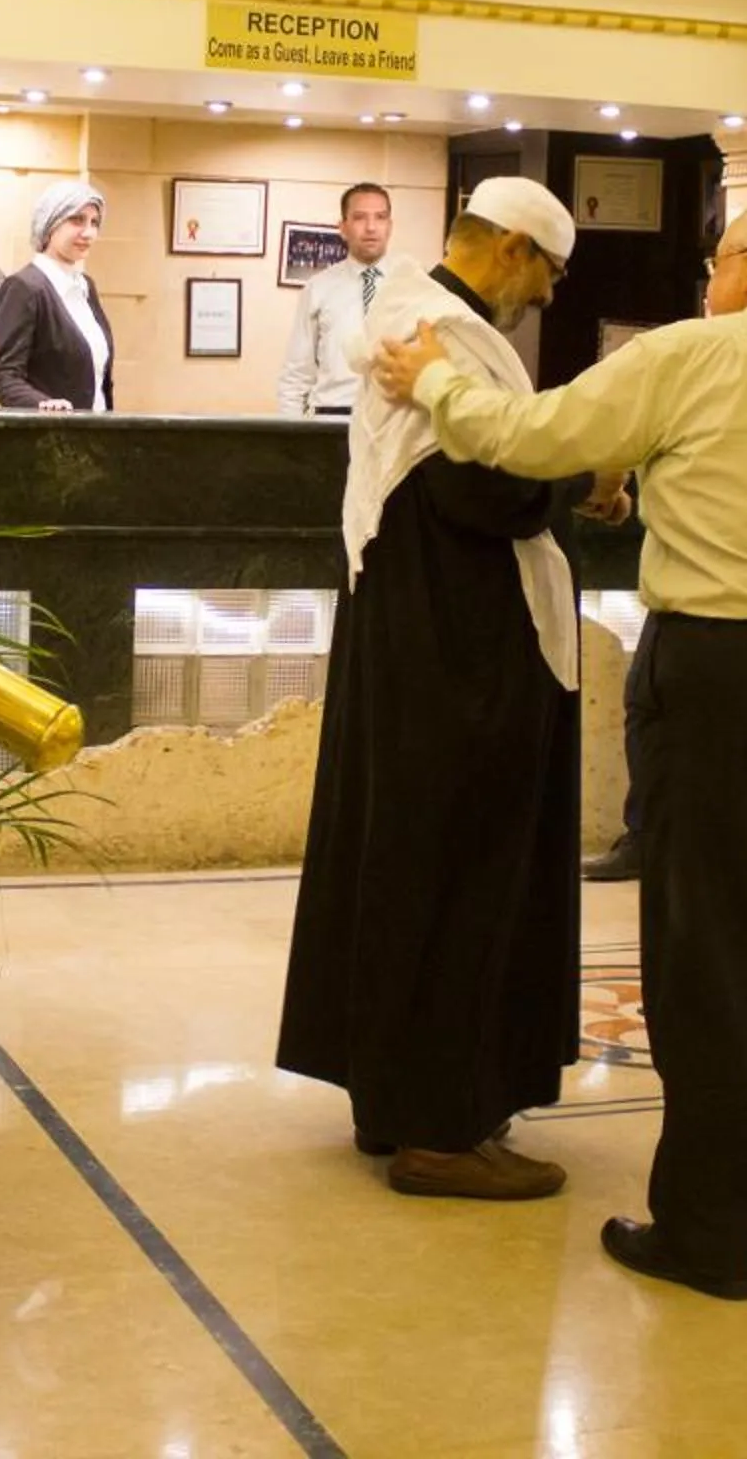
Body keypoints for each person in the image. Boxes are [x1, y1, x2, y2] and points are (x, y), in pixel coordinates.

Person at [371, 195, 747, 1299]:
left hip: (726, 678)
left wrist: (435, 382)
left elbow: (531, 437)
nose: (711, 278)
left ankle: (707, 1226)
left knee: (710, 954)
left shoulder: (696, 354)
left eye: (717, 260)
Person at [276, 176, 618, 1203]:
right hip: (465, 648)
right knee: (467, 865)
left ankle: (399, 1094)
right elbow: (491, 488)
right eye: (549, 273)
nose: (549, 297)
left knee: (406, 856)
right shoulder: (443, 334)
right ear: (510, 248)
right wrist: (582, 474)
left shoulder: (410, 318)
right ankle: (442, 1124)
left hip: (415, 634)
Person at [275, 183, 417, 417]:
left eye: (380, 217)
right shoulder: (318, 288)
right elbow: (296, 374)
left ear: (390, 227)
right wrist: (292, 438)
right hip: (332, 418)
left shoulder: (413, 284)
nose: (371, 228)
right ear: (343, 227)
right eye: (360, 218)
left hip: (394, 419)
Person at [0, 181, 114, 411]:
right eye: (76, 220)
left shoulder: (86, 286)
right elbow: (4, 379)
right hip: (50, 437)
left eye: (94, 222)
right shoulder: (24, 287)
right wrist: (43, 404)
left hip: (95, 434)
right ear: (50, 225)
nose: (88, 233)